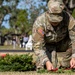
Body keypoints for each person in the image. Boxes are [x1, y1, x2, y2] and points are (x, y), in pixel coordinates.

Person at [32, 0, 75, 71]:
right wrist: (47, 61)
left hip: (63, 44)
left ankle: (66, 64)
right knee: (50, 66)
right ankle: (43, 62)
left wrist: (74, 57)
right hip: (48, 45)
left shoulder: (69, 19)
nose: (55, 22)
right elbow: (38, 46)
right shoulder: (40, 23)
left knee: (71, 46)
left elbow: (74, 39)